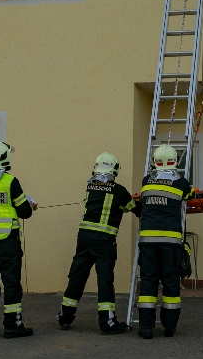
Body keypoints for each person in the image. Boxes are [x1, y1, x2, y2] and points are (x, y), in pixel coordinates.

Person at [57, 152, 141, 335]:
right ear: (115, 169)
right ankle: (107, 323)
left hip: (84, 239)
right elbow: (135, 209)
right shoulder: (120, 191)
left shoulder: (90, 186)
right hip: (104, 242)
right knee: (105, 281)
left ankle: (65, 317)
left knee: (77, 277)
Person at [0, 141, 37, 339]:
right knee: (11, 284)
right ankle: (12, 325)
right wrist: (30, 205)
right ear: (4, 157)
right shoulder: (10, 181)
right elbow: (24, 212)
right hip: (7, 242)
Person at [136, 144, 194, 339]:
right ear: (174, 161)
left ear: (155, 162)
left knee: (148, 282)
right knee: (170, 282)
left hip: (148, 242)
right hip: (170, 243)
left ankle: (146, 327)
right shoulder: (181, 182)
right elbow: (191, 195)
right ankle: (169, 326)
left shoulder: (146, 181)